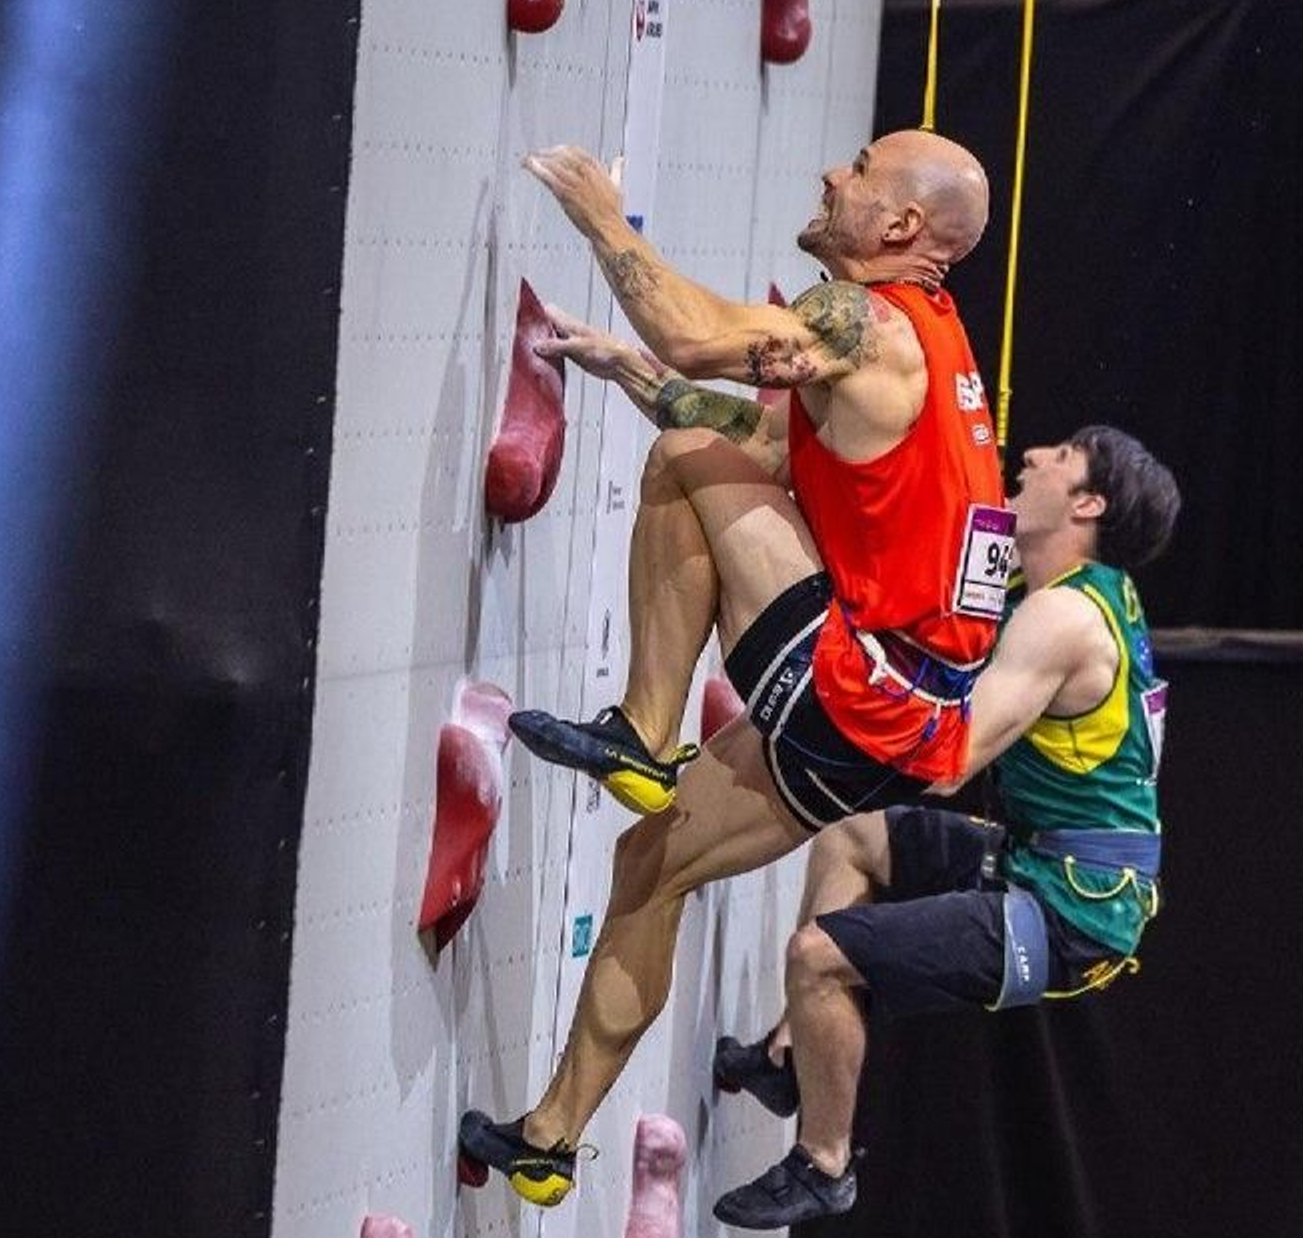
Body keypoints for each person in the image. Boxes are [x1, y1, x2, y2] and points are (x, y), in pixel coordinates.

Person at [457, 130, 1011, 1209]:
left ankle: (642, 734)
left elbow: (698, 339)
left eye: (859, 169)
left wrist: (599, 215)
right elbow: (752, 448)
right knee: (649, 866)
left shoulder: (867, 323)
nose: (833, 176)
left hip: (855, 692)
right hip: (884, 731)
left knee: (678, 464)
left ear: (902, 225)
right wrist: (625, 368)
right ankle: (548, 1144)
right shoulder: (918, 346)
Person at [710, 425, 1181, 1229]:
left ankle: (824, 1163)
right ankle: (797, 1051)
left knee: (816, 958)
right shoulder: (1094, 591)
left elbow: (949, 763)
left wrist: (842, 687)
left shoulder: (1064, 618)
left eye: (1061, 456)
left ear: (1089, 505)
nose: (1033, 457)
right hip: (1051, 860)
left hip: (1075, 910)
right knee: (852, 836)